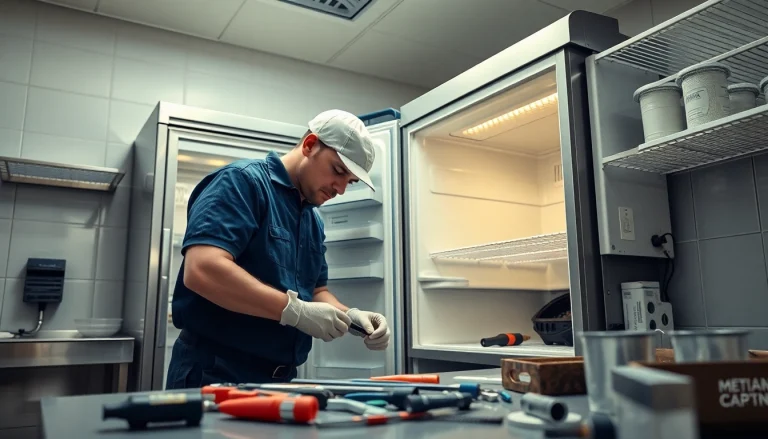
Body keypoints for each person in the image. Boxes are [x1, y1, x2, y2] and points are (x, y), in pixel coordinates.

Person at [165, 109, 391, 389]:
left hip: (278, 380)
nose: (340, 189)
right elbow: (202, 269)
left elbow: (317, 292)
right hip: (215, 372)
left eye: (350, 181)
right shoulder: (242, 182)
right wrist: (294, 311)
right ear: (309, 145)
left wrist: (351, 316)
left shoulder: (311, 219)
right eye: (338, 170)